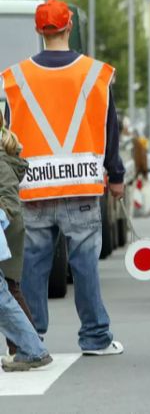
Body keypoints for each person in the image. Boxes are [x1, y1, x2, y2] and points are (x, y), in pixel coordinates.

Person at [1, 0, 125, 355]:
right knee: (85, 267)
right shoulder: (96, 73)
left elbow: (8, 134)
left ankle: (32, 336)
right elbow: (109, 127)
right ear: (69, 26)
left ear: (39, 30)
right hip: (82, 187)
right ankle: (95, 338)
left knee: (33, 270)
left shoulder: (15, 77)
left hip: (34, 188)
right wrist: (115, 175)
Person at [0, 112, 34, 358]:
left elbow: (9, 201)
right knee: (10, 288)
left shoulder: (1, 161)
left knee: (10, 289)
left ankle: (28, 346)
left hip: (6, 228)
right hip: (8, 226)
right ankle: (24, 345)